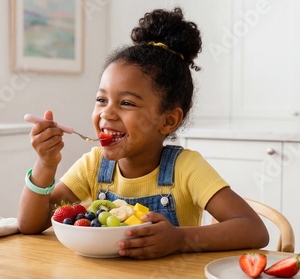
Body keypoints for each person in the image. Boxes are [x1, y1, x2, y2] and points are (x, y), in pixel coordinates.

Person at [18, 7, 268, 259]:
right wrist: (45, 164)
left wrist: (180, 239)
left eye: (126, 103)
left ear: (168, 120)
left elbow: (255, 230)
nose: (107, 113)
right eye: (101, 99)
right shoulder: (93, 165)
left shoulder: (187, 168)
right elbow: (31, 224)